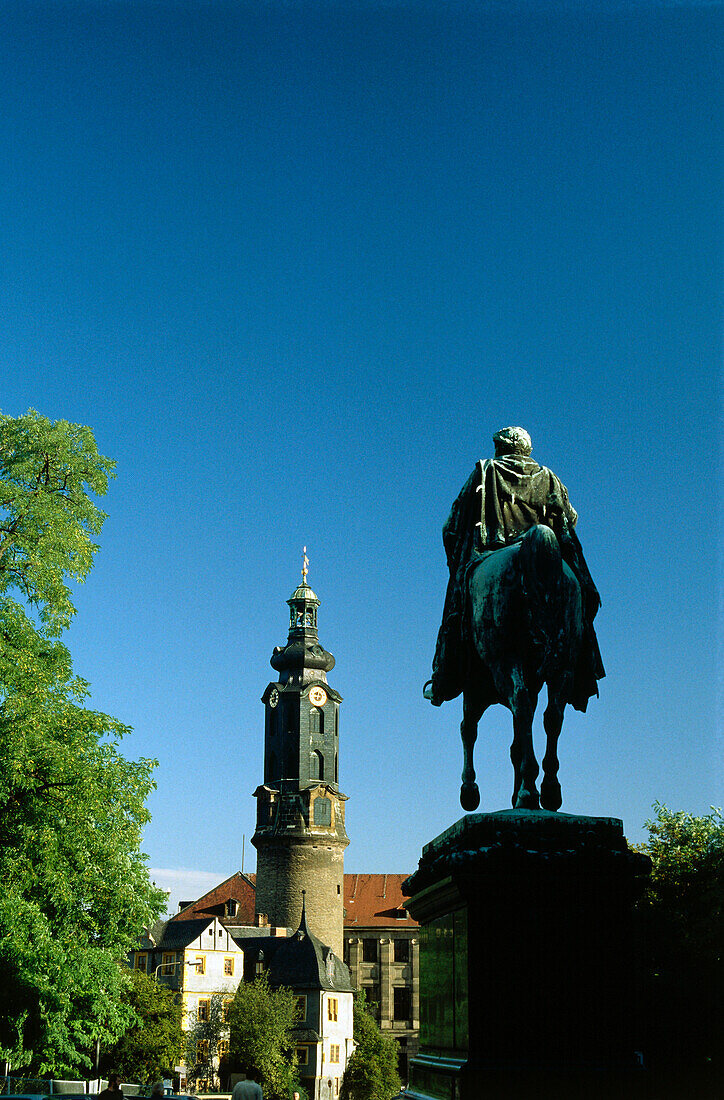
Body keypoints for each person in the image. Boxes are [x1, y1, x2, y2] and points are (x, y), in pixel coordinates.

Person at [426, 426, 604, 710]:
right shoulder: (549, 478)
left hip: (491, 550)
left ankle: (445, 675)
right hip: (549, 559)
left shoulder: (486, 471)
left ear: (502, 448)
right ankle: (583, 664)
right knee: (580, 603)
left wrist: (456, 561)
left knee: (457, 608)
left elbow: (451, 525)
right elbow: (571, 518)